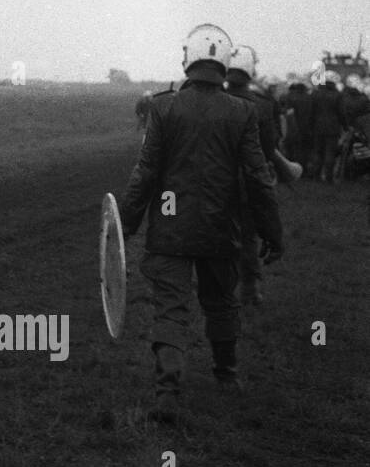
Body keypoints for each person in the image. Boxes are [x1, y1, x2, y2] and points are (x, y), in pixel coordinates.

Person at [118, 24, 282, 424]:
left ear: (188, 60)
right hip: (220, 227)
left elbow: (146, 172)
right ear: (223, 64)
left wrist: (126, 225)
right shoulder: (242, 111)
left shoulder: (164, 107)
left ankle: (168, 391)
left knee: (171, 309)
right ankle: (226, 376)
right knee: (221, 302)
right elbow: (258, 177)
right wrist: (271, 230)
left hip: (170, 226)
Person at [224, 46, 278, 306]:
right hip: (249, 184)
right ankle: (250, 289)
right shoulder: (263, 105)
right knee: (248, 237)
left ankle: (220, 289)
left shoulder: (211, 100)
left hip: (214, 183)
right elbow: (270, 148)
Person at [310, 73, 342, 182]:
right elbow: (341, 113)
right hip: (333, 128)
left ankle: (316, 176)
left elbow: (311, 112)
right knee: (330, 152)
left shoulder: (315, 94)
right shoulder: (337, 95)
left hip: (317, 127)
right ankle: (329, 177)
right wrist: (345, 127)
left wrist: (311, 125)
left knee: (317, 151)